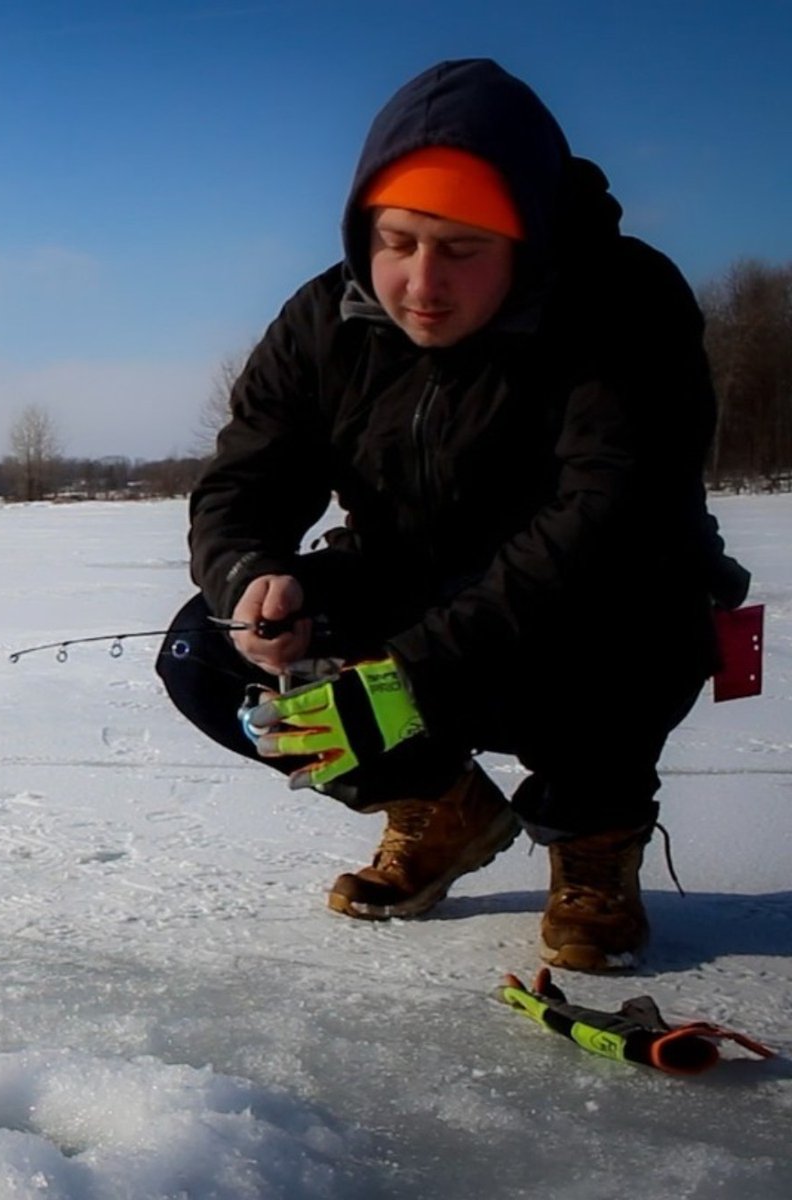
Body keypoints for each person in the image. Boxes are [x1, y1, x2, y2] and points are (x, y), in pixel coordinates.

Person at [156, 59, 750, 972]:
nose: (421, 282)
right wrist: (249, 576)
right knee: (206, 652)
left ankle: (594, 836)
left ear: (526, 237)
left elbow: (608, 516)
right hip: (407, 577)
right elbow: (245, 478)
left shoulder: (623, 304)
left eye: (462, 248)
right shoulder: (325, 317)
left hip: (594, 599)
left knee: (633, 627)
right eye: (397, 243)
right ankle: (440, 806)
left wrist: (406, 678)